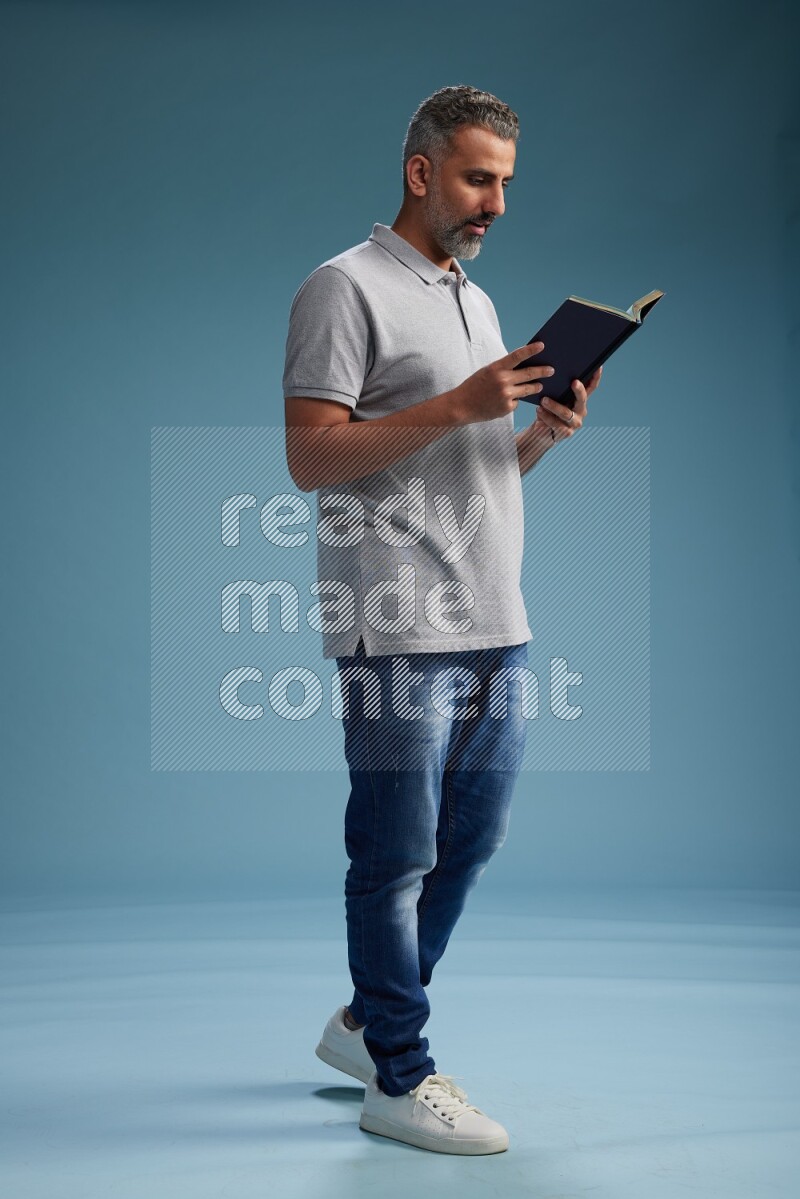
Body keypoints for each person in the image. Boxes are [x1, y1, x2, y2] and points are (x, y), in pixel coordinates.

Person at [283, 84, 602, 1155]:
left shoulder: (477, 301)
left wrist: (538, 434)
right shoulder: (342, 288)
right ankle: (399, 1073)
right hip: (394, 619)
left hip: (493, 611)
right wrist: (460, 403)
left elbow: (465, 469)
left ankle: (363, 1023)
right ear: (420, 172)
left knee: (471, 838)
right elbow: (311, 455)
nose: (495, 203)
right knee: (395, 852)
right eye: (476, 178)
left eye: (504, 182)